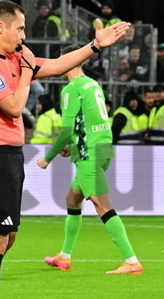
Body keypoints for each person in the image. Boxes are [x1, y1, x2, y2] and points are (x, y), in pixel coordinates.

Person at [0, 0, 130, 299]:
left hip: (9, 157)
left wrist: (95, 46)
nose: (24, 35)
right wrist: (25, 71)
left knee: (7, 237)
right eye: (20, 28)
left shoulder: (15, 57)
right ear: (1, 27)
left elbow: (57, 64)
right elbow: (13, 106)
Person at [37, 46, 143, 275]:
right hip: (102, 149)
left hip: (89, 154)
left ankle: (131, 260)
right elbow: (89, 123)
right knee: (73, 199)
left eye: (61, 59)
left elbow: (66, 130)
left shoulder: (71, 89)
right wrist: (73, 147)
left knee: (102, 205)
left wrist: (48, 158)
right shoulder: (92, 84)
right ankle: (64, 256)